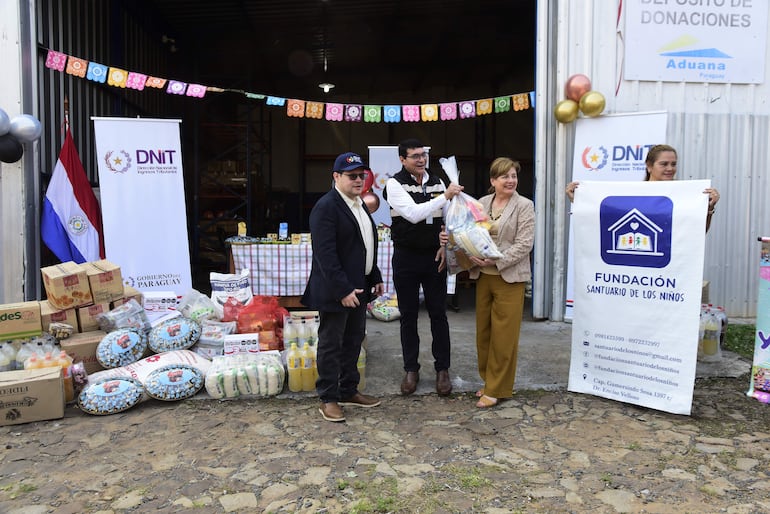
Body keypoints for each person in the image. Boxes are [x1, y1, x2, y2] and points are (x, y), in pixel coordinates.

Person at [302, 152, 385, 422]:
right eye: (352, 176)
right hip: (337, 291)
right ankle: (328, 397)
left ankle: (349, 389)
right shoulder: (327, 207)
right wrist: (343, 290)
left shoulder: (359, 204)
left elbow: (364, 245)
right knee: (331, 343)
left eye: (362, 175)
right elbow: (325, 255)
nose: (358, 180)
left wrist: (375, 276)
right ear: (336, 176)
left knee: (353, 341)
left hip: (359, 287)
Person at [383, 138, 463, 396]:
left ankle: (443, 370)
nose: (421, 160)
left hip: (433, 256)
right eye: (415, 156)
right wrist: (445, 196)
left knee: (438, 314)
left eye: (423, 155)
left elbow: (449, 217)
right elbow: (415, 213)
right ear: (402, 159)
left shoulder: (438, 181)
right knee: (408, 316)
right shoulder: (394, 184)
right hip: (406, 257)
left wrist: (445, 242)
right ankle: (411, 369)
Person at [465, 158, 535, 408]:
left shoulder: (525, 205)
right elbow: (471, 232)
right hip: (483, 277)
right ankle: (488, 380)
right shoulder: (482, 203)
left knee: (504, 337)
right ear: (493, 180)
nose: (511, 180)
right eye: (505, 176)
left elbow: (525, 244)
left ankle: (498, 388)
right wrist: (470, 251)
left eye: (514, 175)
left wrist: (495, 260)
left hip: (509, 278)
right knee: (484, 333)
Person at [566, 144, 720, 231]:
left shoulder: (685, 196)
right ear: (649, 166)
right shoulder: (632, 195)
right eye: (664, 164)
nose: (670, 168)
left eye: (673, 164)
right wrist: (579, 201)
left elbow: (697, 233)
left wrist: (708, 209)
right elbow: (603, 221)